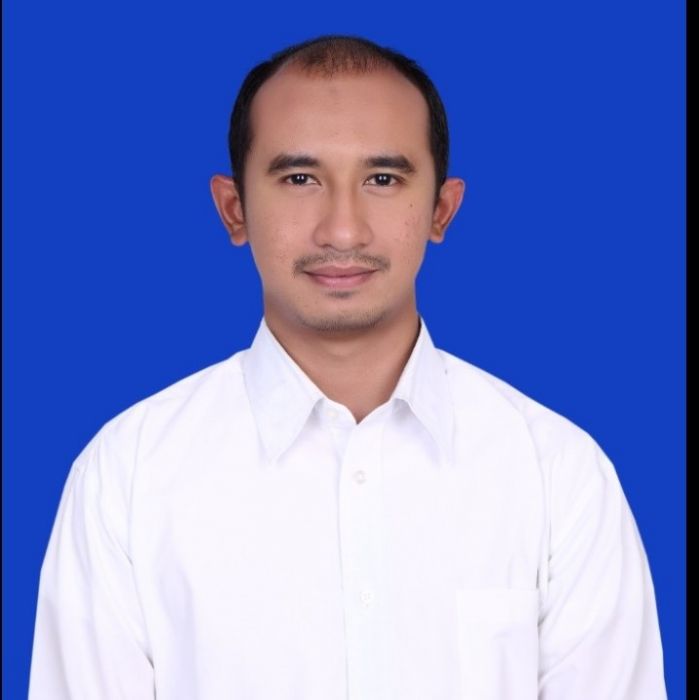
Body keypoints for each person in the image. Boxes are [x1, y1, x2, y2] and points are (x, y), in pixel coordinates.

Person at [28, 35, 667, 699]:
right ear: (233, 209)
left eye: (382, 180)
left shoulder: (556, 475)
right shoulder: (128, 476)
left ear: (441, 209)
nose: (341, 230)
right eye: (299, 179)